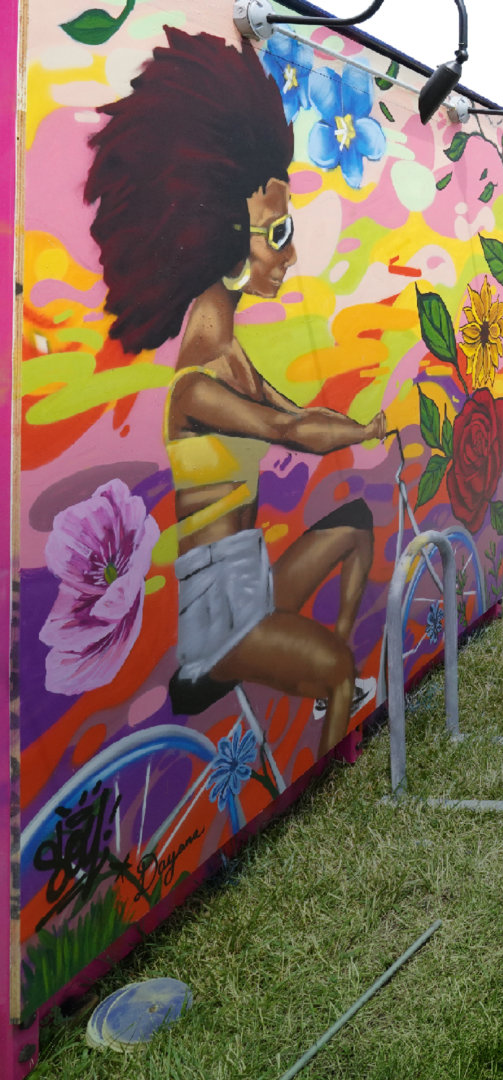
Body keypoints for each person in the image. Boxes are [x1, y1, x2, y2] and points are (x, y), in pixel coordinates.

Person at [86, 29, 384, 754]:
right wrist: (365, 432)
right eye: (276, 234)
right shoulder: (197, 383)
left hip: (253, 587)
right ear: (223, 237)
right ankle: (329, 751)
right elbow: (291, 432)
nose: (289, 253)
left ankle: (330, 688)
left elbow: (296, 413)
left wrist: (345, 423)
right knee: (337, 666)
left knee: (356, 526)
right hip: (218, 624)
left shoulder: (233, 354)